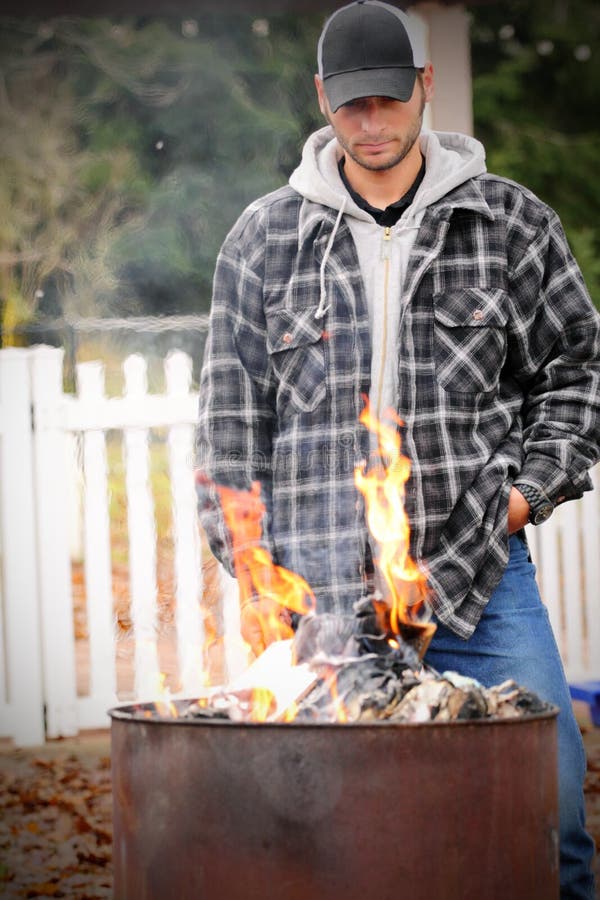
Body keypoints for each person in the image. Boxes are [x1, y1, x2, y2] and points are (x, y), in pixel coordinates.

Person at [196, 1, 600, 895]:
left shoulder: (511, 224)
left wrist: (521, 499)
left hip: (476, 576)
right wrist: (256, 567)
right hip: (321, 599)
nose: (371, 123)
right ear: (321, 99)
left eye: (387, 98)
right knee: (324, 842)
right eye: (350, 105)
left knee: (551, 814)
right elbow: (229, 420)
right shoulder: (264, 239)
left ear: (425, 87)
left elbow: (578, 378)